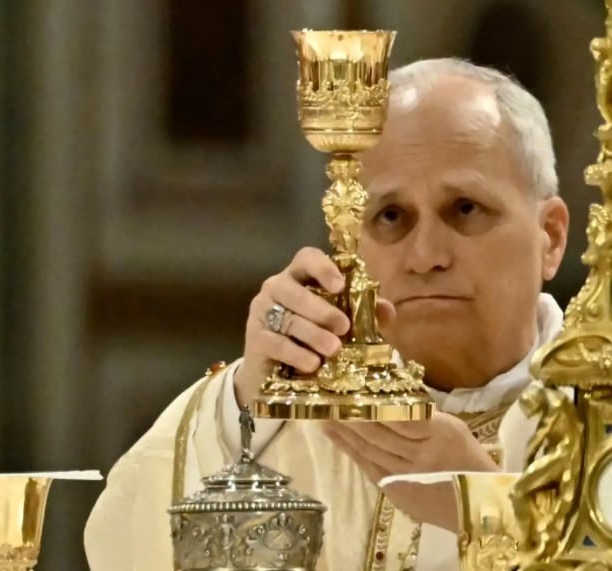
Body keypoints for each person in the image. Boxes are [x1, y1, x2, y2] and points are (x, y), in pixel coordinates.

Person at [84, 57, 571, 571]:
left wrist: (489, 508)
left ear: (551, 237)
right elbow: (124, 537)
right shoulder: (303, 422)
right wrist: (247, 401)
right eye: (390, 216)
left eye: (466, 208)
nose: (427, 253)